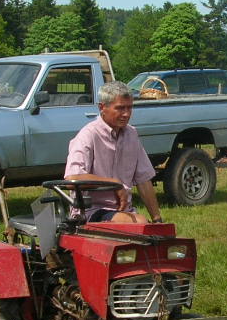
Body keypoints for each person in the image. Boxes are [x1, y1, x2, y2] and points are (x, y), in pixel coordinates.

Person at [64, 80, 164, 224]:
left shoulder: (131, 134)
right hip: (90, 212)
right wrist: (114, 184)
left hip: (124, 211)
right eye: (120, 108)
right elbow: (72, 179)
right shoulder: (88, 135)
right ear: (102, 107)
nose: (126, 114)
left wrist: (157, 220)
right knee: (137, 224)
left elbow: (144, 180)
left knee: (147, 228)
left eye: (130, 108)